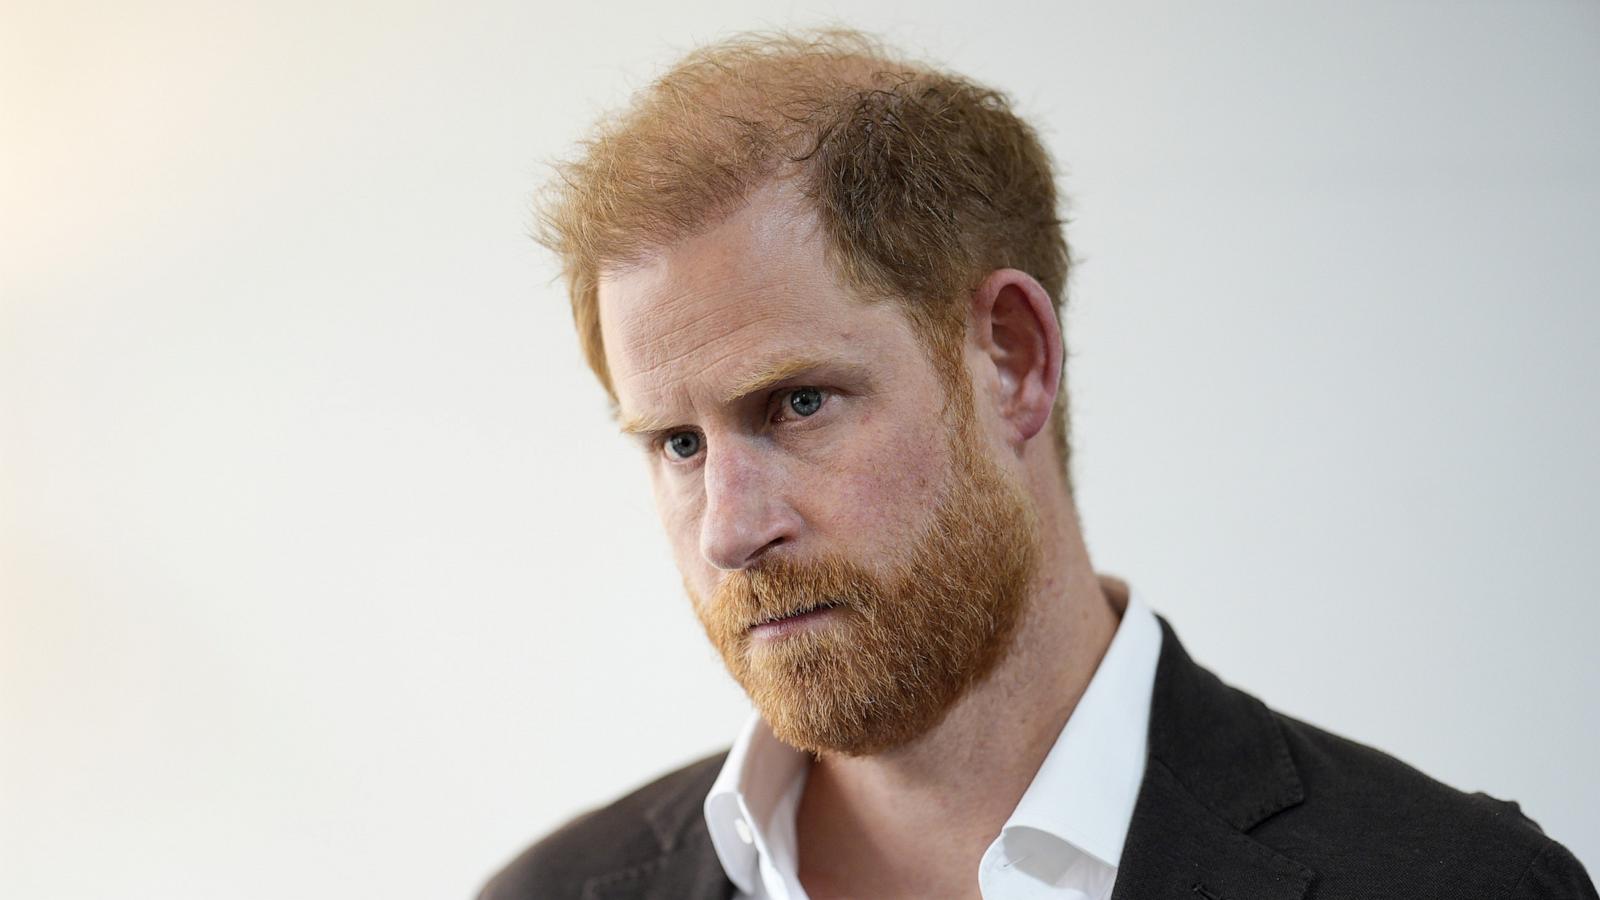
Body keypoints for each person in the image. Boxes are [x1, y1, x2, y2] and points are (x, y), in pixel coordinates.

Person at [481, 29, 1595, 900]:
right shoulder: (548, 895)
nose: (728, 530)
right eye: (677, 443)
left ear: (1011, 362)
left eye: (797, 403)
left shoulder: (1454, 886)